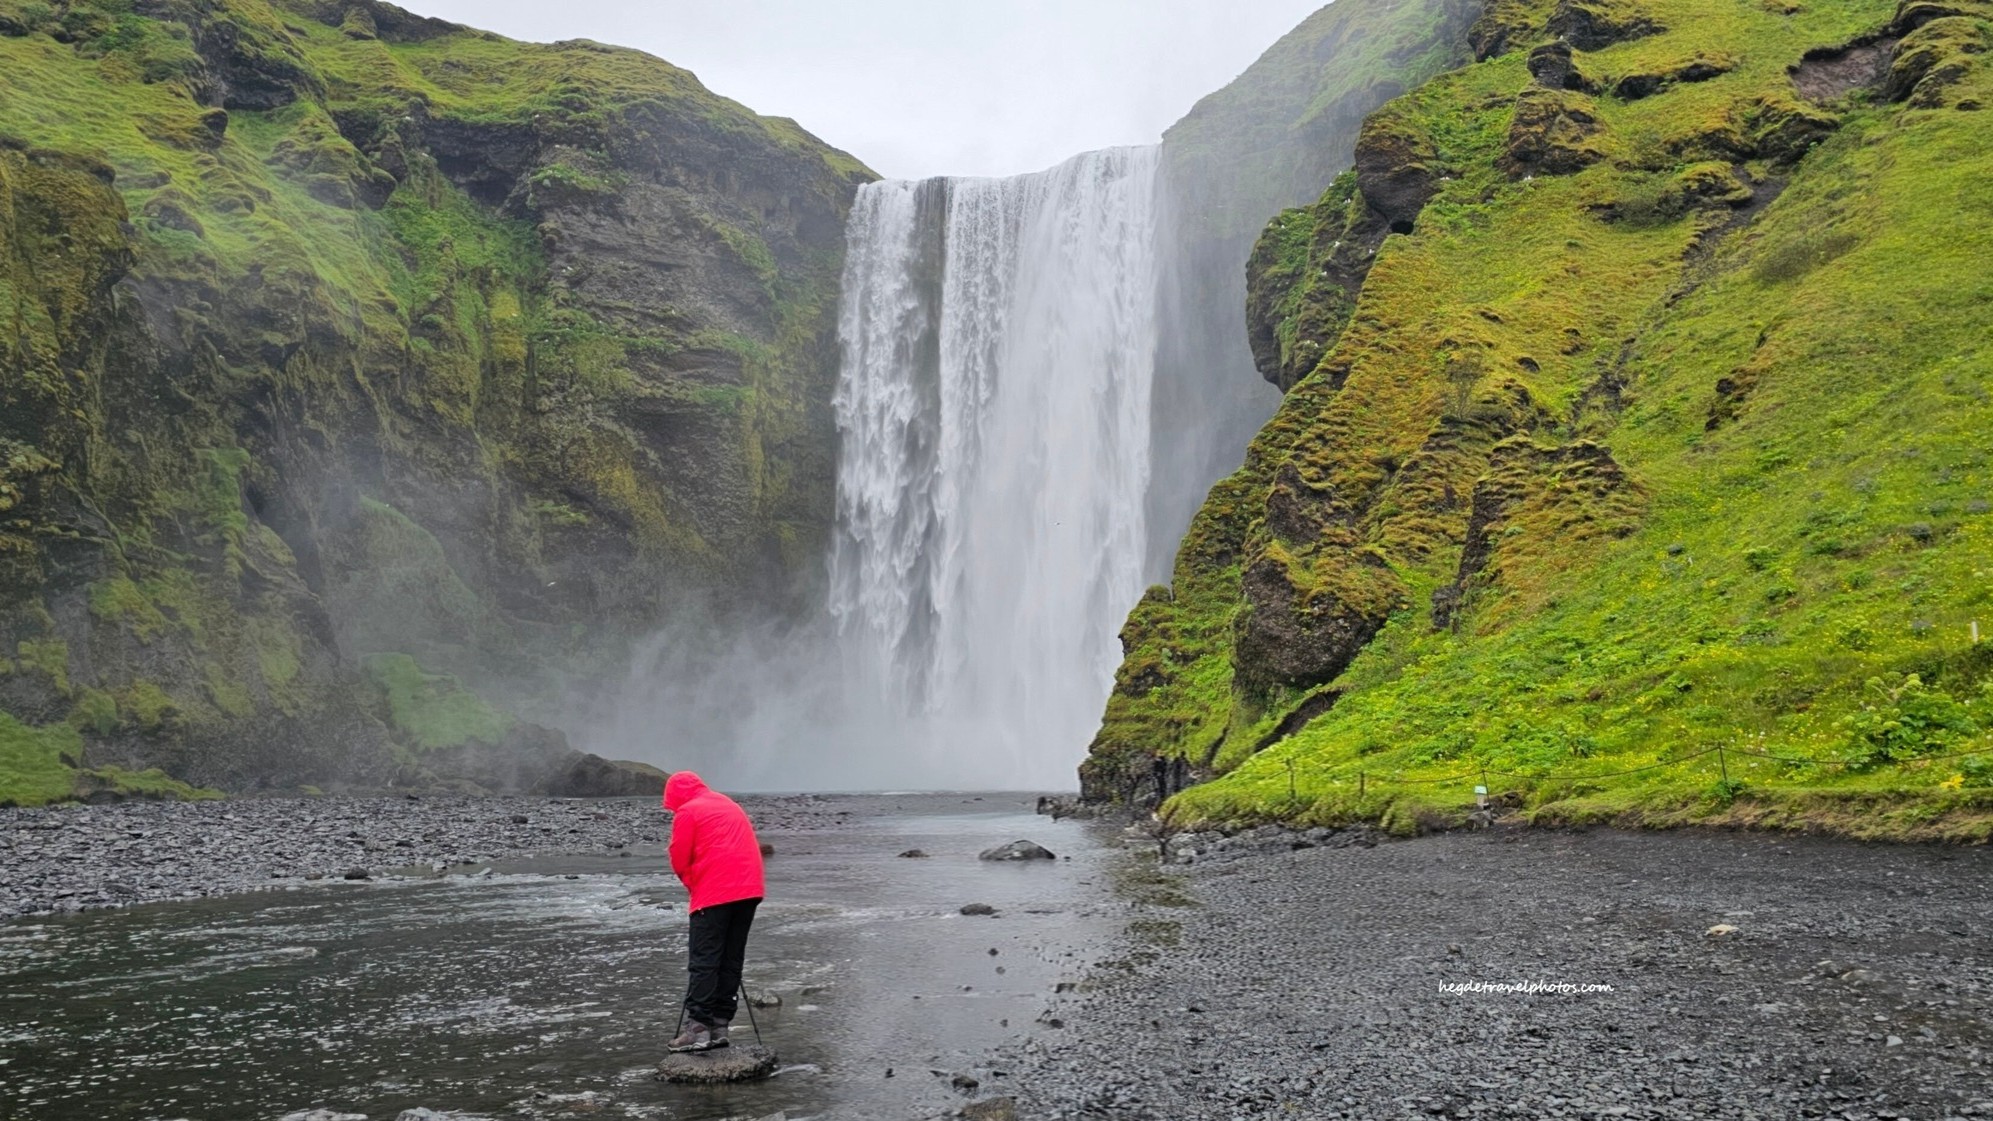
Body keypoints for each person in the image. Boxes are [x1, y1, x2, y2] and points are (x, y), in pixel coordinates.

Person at [663, 771, 765, 1053]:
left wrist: (693, 884)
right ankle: (720, 1027)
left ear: (675, 796)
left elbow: (679, 856)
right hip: (750, 889)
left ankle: (697, 1029)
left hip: (715, 891)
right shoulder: (726, 803)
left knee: (704, 960)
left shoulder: (688, 811)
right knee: (730, 958)